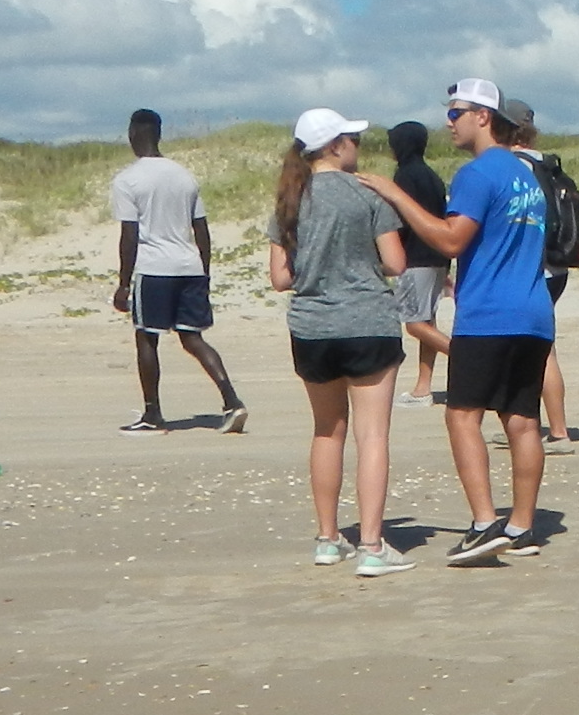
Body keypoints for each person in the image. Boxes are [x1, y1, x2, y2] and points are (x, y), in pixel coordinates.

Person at [358, 76, 549, 566]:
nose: (448, 121)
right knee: (522, 419)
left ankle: (485, 522)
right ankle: (523, 526)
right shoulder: (527, 173)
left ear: (483, 116)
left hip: (490, 314)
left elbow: (449, 239)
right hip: (532, 311)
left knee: (463, 414)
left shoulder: (479, 172)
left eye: (456, 112)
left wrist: (395, 196)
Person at [266, 108, 410, 577]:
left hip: (312, 325)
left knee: (327, 430)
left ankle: (328, 538)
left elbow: (280, 278)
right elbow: (395, 263)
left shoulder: (291, 197)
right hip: (367, 318)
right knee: (373, 435)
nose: (357, 147)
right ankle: (371, 544)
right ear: (334, 146)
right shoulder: (366, 193)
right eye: (352, 139)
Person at [110, 108, 247, 433]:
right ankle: (231, 400)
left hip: (154, 268)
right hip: (190, 266)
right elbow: (201, 230)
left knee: (147, 336)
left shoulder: (128, 180)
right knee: (192, 338)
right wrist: (205, 272)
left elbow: (129, 236)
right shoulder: (184, 176)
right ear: (159, 134)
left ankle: (152, 414)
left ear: (132, 135)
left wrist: (123, 284)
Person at [504, 100, 579, 448]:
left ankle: (553, 428)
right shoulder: (547, 165)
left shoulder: (512, 167)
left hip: (529, 269)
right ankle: (543, 424)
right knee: (541, 346)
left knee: (538, 350)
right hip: (558, 267)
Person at [382, 120, 454, 405]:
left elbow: (401, 221)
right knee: (427, 320)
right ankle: (423, 387)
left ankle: (466, 357)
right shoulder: (432, 176)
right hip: (439, 256)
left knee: (413, 323)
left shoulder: (405, 176)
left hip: (416, 257)